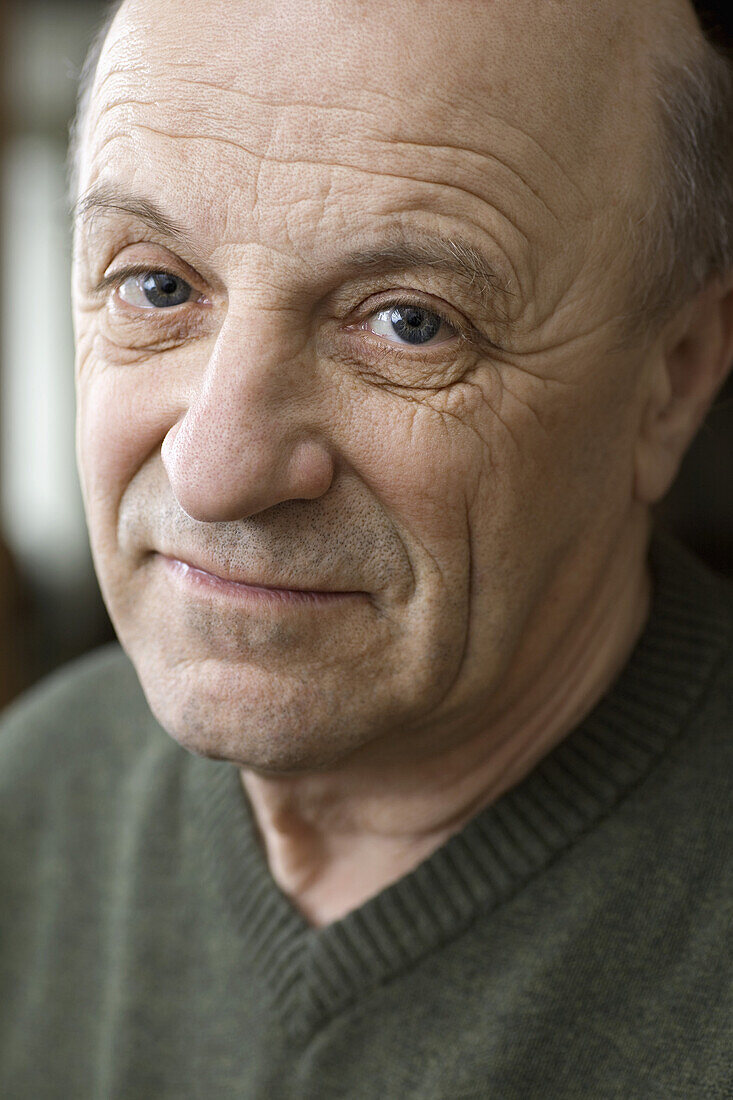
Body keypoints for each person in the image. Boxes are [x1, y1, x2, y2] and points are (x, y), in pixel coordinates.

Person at [1, 0, 731, 1095]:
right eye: (156, 285)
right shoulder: (36, 792)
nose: (216, 467)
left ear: (671, 378)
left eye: (409, 321)